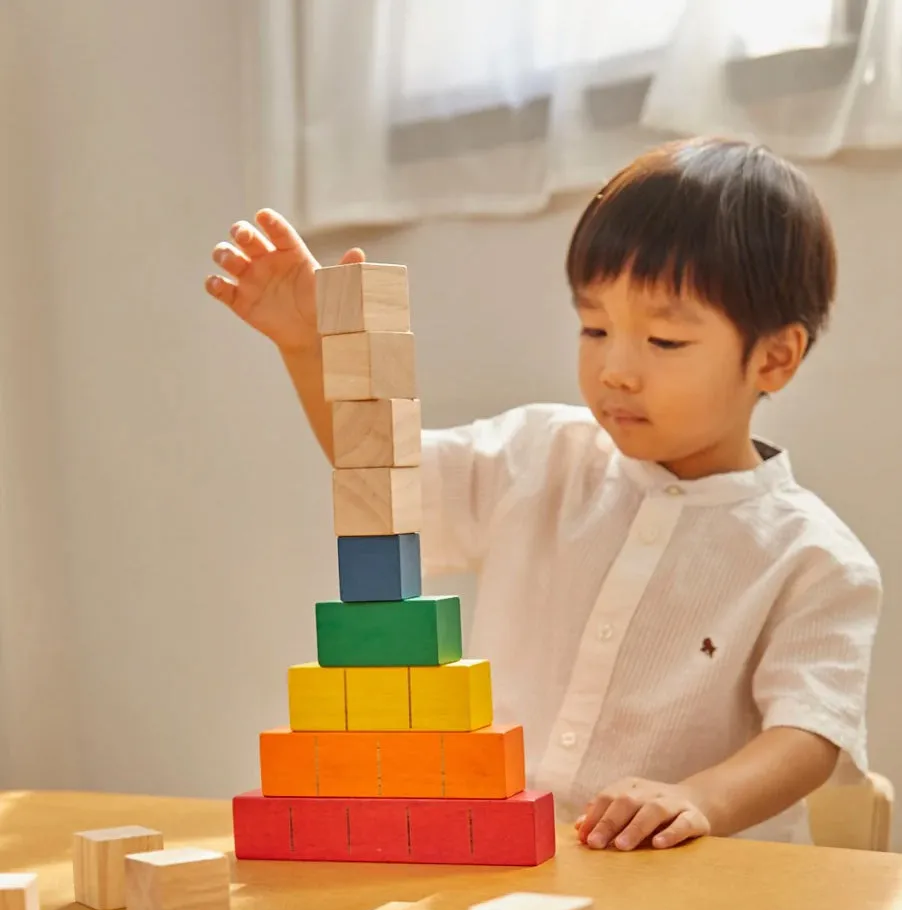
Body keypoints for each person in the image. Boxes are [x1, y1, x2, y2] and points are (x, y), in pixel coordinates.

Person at [205, 137, 882, 850]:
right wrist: (312, 350)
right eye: (595, 328)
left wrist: (698, 799)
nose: (615, 369)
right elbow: (384, 476)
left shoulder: (814, 558)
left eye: (664, 341)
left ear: (774, 357)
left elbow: (811, 731)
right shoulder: (537, 456)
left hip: (694, 890)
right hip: (511, 861)